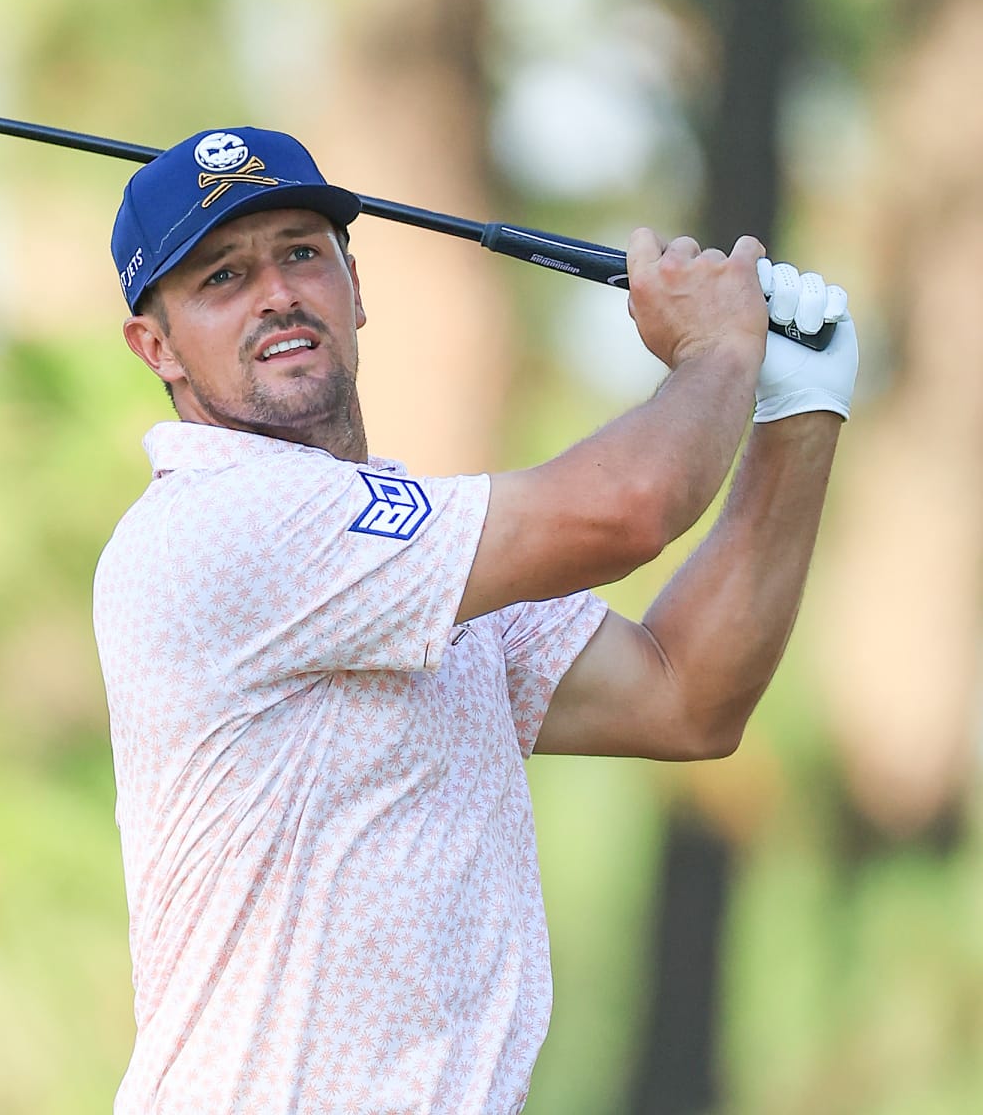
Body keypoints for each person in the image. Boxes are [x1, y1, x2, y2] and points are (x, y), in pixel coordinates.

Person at [92, 127, 857, 1114]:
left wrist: (796, 414)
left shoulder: (413, 566)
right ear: (155, 347)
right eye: (222, 278)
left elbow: (685, 696)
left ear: (354, 287)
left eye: (299, 253)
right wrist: (717, 351)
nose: (276, 292)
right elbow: (629, 508)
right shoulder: (218, 522)